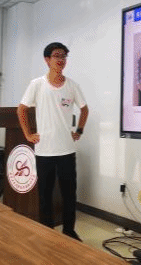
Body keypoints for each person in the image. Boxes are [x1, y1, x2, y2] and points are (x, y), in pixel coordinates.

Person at [17, 42, 88, 241]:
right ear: (47, 60)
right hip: (44, 151)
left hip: (66, 150)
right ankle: (47, 232)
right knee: (45, 195)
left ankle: (69, 231)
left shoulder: (72, 86)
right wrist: (28, 134)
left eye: (64, 56)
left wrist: (79, 130)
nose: (61, 59)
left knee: (69, 194)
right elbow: (21, 109)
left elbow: (84, 109)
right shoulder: (37, 84)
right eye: (57, 55)